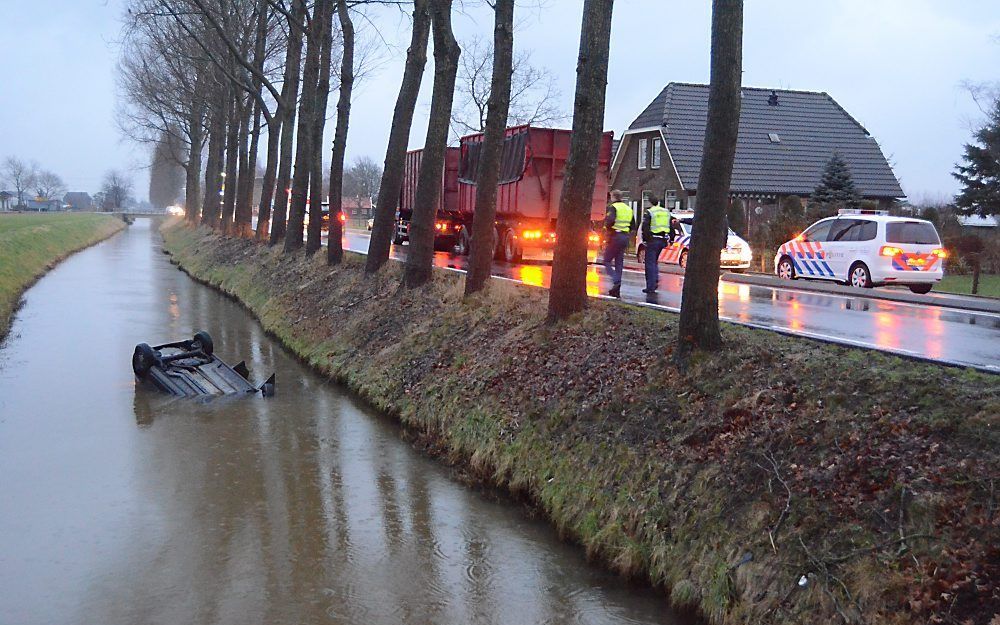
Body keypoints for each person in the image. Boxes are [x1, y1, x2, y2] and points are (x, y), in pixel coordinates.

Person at [603, 190, 634, 298]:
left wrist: (608, 230)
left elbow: (610, 221)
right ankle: (617, 289)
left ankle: (616, 280)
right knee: (619, 262)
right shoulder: (628, 209)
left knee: (606, 260)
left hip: (615, 236)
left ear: (613, 197)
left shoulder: (614, 207)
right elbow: (632, 225)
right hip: (625, 236)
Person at [640, 197, 671, 294]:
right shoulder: (666, 212)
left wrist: (645, 240)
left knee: (649, 263)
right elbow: (670, 225)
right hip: (662, 239)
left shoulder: (650, 212)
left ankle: (651, 286)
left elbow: (645, 227)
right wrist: (671, 238)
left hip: (653, 239)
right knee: (654, 262)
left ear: (650, 202)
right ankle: (655, 279)